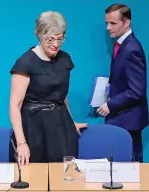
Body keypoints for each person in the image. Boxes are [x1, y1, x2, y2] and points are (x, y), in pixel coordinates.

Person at [9, 11, 88, 165]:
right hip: (33, 127)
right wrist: (21, 143)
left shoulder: (65, 59)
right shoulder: (26, 62)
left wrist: (70, 122)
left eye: (60, 38)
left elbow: (61, 94)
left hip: (61, 126)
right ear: (39, 35)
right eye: (50, 39)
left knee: (65, 175)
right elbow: (14, 105)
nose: (56, 44)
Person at [97, 3, 149, 162]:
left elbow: (137, 90)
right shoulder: (121, 44)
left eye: (112, 23)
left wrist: (110, 105)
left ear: (127, 23)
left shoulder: (132, 48)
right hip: (122, 119)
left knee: (130, 167)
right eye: (107, 23)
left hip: (128, 120)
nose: (107, 27)